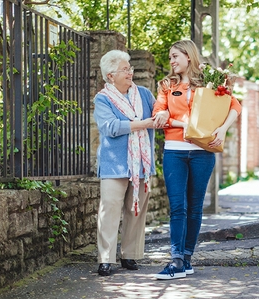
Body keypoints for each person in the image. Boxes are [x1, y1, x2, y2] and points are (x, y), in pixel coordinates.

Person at [152, 40, 241, 280]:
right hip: (174, 151)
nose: (171, 61)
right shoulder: (167, 86)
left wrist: (222, 130)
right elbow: (159, 116)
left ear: (188, 56)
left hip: (203, 152)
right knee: (177, 207)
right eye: (170, 57)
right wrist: (177, 120)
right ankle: (176, 259)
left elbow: (234, 105)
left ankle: (187, 258)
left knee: (194, 207)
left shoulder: (209, 81)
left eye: (175, 56)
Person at [93, 50, 156, 276]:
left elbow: (160, 114)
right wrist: (141, 124)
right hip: (114, 163)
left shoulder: (145, 95)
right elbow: (110, 128)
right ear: (111, 75)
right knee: (109, 209)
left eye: (130, 68)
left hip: (142, 164)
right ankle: (105, 258)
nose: (131, 72)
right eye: (125, 69)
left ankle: (130, 255)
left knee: (135, 210)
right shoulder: (102, 99)